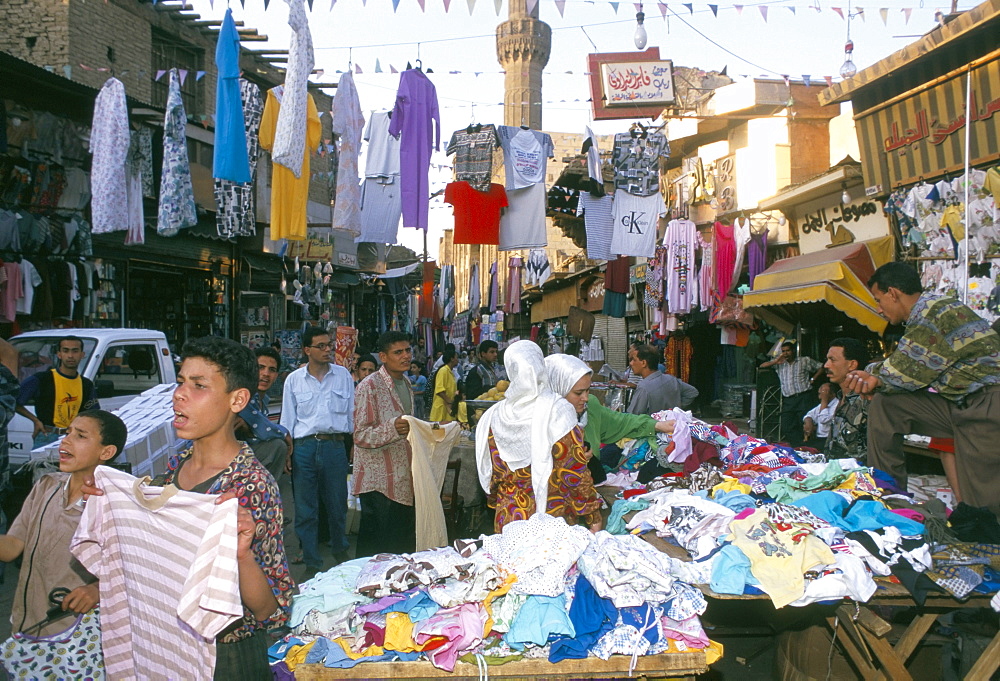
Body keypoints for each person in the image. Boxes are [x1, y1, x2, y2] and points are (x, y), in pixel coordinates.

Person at [845, 262, 1000, 514]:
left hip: (987, 404)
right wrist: (876, 379)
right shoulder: (929, 311)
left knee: (984, 506)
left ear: (893, 293)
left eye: (879, 299)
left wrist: (872, 377)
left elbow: (904, 371)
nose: (878, 308)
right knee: (887, 406)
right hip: (963, 405)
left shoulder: (931, 311)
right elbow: (904, 371)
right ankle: (891, 497)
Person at [0, 410, 125, 636]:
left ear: (106, 451)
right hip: (26, 625)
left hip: (76, 636)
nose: (65, 440)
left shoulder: (114, 504)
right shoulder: (46, 487)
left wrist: (97, 589)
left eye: (80, 435)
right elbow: (12, 548)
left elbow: (134, 572)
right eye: (67, 433)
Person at [475, 340, 602, 532]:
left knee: (509, 562)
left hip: (509, 518)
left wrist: (503, 500)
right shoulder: (557, 411)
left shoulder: (493, 416)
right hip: (550, 519)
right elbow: (573, 473)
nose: (585, 397)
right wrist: (593, 516)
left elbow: (491, 476)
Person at [280, 326, 354, 573]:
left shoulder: (343, 376)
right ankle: (312, 561)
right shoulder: (294, 380)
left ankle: (340, 552)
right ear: (307, 350)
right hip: (304, 448)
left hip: (335, 446)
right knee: (305, 508)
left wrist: (352, 447)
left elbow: (352, 414)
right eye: (321, 346)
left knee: (337, 503)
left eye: (329, 345)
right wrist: (287, 454)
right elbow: (287, 421)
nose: (327, 350)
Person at [545, 353, 674, 485]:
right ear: (557, 390)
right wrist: (570, 461)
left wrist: (657, 425)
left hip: (588, 492)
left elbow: (621, 422)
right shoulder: (538, 419)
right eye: (578, 393)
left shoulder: (590, 407)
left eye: (588, 390)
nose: (585, 398)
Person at [353, 331, 417, 557]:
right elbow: (360, 434)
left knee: (398, 546)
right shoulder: (369, 386)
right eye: (398, 352)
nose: (405, 356)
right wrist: (392, 428)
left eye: (407, 350)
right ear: (383, 356)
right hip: (378, 481)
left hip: (401, 477)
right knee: (375, 550)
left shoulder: (406, 383)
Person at [17, 336, 100, 448]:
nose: (70, 356)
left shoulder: (86, 384)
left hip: (74, 437)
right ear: (59, 354)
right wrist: (35, 420)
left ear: (82, 355)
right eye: (66, 351)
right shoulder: (42, 379)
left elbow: (93, 413)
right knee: (42, 466)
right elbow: (14, 402)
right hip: (47, 435)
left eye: (75, 351)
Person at [234, 346, 292, 481]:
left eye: (272, 370)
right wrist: (285, 434)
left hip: (241, 458)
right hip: (222, 460)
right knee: (279, 446)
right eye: (260, 367)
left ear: (277, 375)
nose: (266, 374)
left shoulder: (263, 399)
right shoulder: (244, 393)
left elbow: (258, 430)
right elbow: (261, 427)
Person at [759, 341, 825, 447]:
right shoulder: (779, 364)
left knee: (803, 424)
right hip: (789, 399)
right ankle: (797, 446)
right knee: (787, 425)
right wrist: (776, 361)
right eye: (783, 351)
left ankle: (807, 447)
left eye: (788, 351)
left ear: (793, 351)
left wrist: (813, 378)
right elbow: (762, 366)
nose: (786, 353)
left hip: (804, 396)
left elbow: (822, 366)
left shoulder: (804, 361)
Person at [823, 337, 871, 462]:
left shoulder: (865, 399)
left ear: (852, 364)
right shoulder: (841, 397)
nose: (826, 365)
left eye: (832, 360)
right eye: (827, 359)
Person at [626, 344, 698, 415]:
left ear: (644, 363)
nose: (631, 363)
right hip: (672, 423)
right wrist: (675, 409)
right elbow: (692, 392)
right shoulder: (671, 379)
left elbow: (632, 416)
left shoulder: (644, 387)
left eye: (634, 360)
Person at [802, 382, 838, 451]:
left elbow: (823, 419)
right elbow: (809, 414)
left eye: (824, 390)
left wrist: (824, 400)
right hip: (819, 438)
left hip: (829, 439)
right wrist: (808, 421)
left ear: (832, 394)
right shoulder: (821, 405)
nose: (820, 391)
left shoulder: (836, 405)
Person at [429, 346, 459, 422]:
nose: (457, 360)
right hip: (441, 408)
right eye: (456, 358)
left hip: (448, 408)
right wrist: (450, 401)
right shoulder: (443, 371)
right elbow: (439, 390)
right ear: (452, 359)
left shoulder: (450, 372)